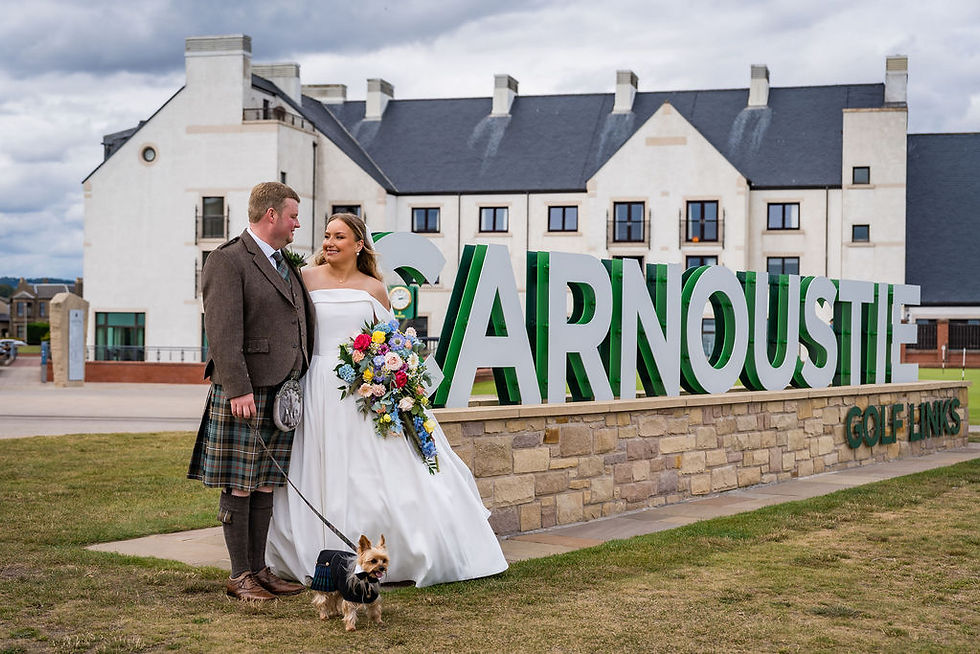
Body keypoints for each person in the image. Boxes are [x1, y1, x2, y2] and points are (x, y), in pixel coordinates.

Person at [266, 213, 508, 587]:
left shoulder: (374, 288)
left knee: (371, 465)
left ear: (359, 244)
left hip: (363, 389)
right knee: (319, 460)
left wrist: (386, 374)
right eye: (327, 235)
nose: (329, 242)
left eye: (339, 237)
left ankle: (393, 548)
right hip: (316, 381)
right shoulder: (303, 280)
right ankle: (319, 549)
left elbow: (389, 338)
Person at [188, 181, 316, 601]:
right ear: (272, 215)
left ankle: (260, 570)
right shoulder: (228, 260)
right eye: (294, 215)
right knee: (239, 482)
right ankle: (238, 575)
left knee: (265, 482)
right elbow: (223, 333)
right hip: (246, 390)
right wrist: (237, 388)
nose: (298, 223)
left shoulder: (286, 264)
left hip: (282, 392)